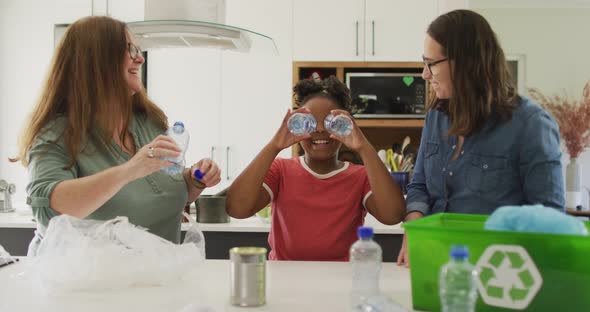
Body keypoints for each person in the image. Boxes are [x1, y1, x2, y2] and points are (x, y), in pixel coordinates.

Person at [19, 16, 221, 254]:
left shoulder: (149, 122)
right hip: (83, 286)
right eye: (130, 49)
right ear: (96, 60)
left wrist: (193, 180)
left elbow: (161, 190)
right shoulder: (56, 133)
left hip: (153, 281)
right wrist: (130, 170)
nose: (140, 58)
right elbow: (48, 213)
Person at [396, 9, 565, 267]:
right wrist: (414, 228)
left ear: (465, 63)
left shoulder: (531, 125)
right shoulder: (435, 115)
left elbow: (549, 221)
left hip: (497, 274)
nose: (424, 74)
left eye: (431, 63)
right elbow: (419, 185)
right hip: (432, 262)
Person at [225, 76, 406, 261]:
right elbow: (237, 209)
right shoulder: (281, 171)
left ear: (346, 125)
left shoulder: (359, 177)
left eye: (330, 123)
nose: (320, 129)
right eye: (310, 122)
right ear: (296, 125)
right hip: (284, 280)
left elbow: (392, 215)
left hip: (340, 280)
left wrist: (364, 147)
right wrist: (274, 146)